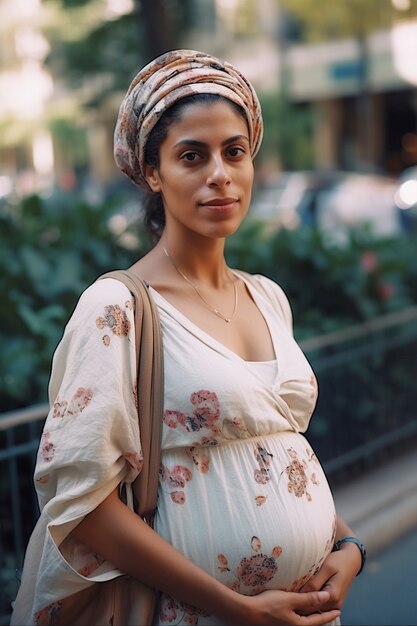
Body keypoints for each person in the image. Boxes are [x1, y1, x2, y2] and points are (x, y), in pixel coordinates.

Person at [11, 49, 366, 626]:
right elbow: (83, 502)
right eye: (192, 156)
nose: (219, 175)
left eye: (234, 152)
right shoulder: (118, 308)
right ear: (153, 173)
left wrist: (349, 548)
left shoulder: (266, 296)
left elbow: (278, 452)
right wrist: (237, 609)